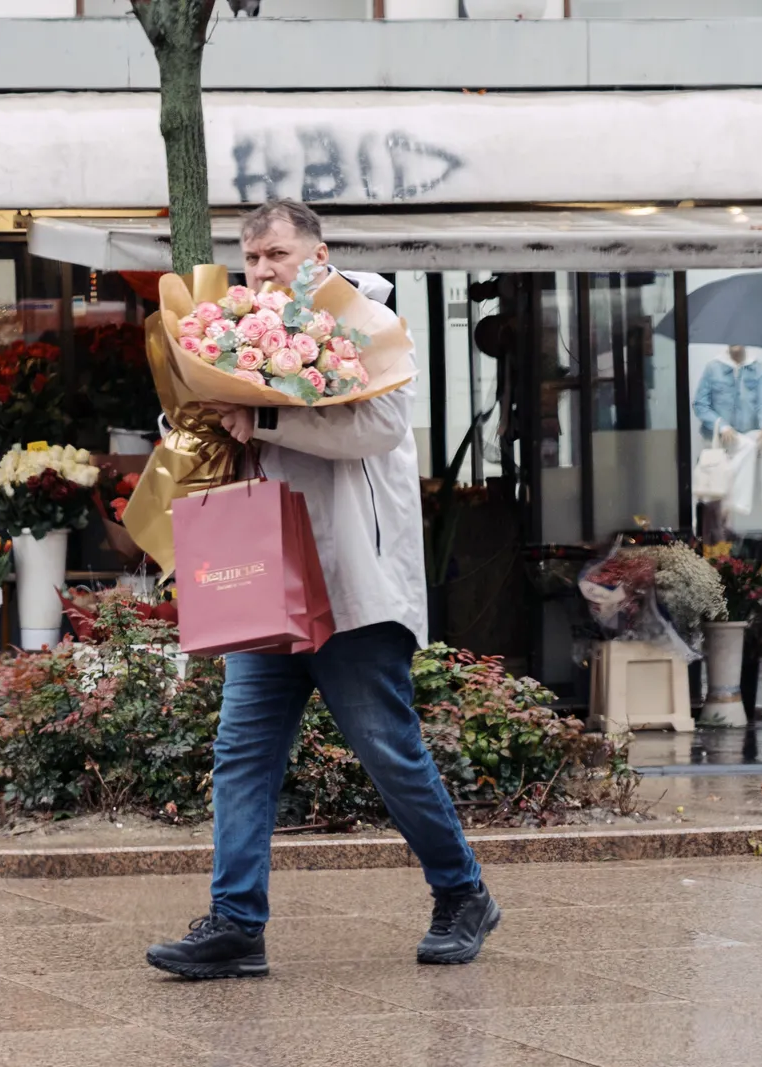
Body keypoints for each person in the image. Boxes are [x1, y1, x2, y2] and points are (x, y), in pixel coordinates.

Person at [144, 200, 499, 980]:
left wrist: (263, 420)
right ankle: (237, 922)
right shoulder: (239, 330)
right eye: (253, 259)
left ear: (318, 251)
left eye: (275, 253)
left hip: (350, 581)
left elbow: (375, 429)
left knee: (386, 750)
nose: (263, 270)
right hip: (267, 582)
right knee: (241, 752)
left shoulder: (368, 322)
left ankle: (462, 892)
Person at [692, 345, 762, 541]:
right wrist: (722, 427)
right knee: (746, 446)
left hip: (748, 433)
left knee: (761, 446)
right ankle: (732, 504)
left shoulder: (757, 367)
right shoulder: (713, 367)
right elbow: (700, 404)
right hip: (721, 437)